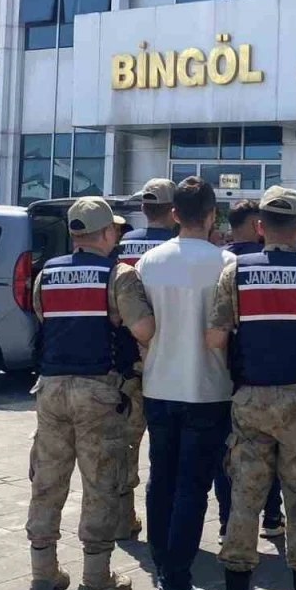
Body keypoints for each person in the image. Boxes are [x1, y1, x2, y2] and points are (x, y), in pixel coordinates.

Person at [206, 185, 296, 590]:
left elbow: (216, 337)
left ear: (261, 226)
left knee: (245, 497)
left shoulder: (235, 273)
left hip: (249, 398)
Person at [27, 198, 154, 590]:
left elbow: (44, 320)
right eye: (114, 230)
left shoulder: (47, 273)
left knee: (47, 481)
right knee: (100, 482)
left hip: (50, 389)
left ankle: (43, 574)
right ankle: (96, 579)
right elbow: (144, 330)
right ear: (106, 233)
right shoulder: (119, 275)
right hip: (98, 390)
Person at [134, 177, 233, 590]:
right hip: (209, 389)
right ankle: (175, 586)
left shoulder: (148, 262)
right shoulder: (226, 263)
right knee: (193, 487)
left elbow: (140, 328)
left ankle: (164, 573)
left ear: (174, 214)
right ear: (212, 215)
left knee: (162, 481)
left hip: (158, 386)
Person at [213, 197, 285, 542]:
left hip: (225, 375)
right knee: (271, 451)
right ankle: (271, 516)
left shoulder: (222, 262)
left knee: (229, 453)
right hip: (270, 374)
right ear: (258, 225)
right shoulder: (271, 262)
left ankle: (228, 524)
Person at [112, 177, 178, 541]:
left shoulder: (121, 245)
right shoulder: (176, 248)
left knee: (127, 442)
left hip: (127, 361)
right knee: (168, 447)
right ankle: (168, 521)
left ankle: (124, 517)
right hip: (170, 360)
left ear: (142, 208)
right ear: (174, 211)